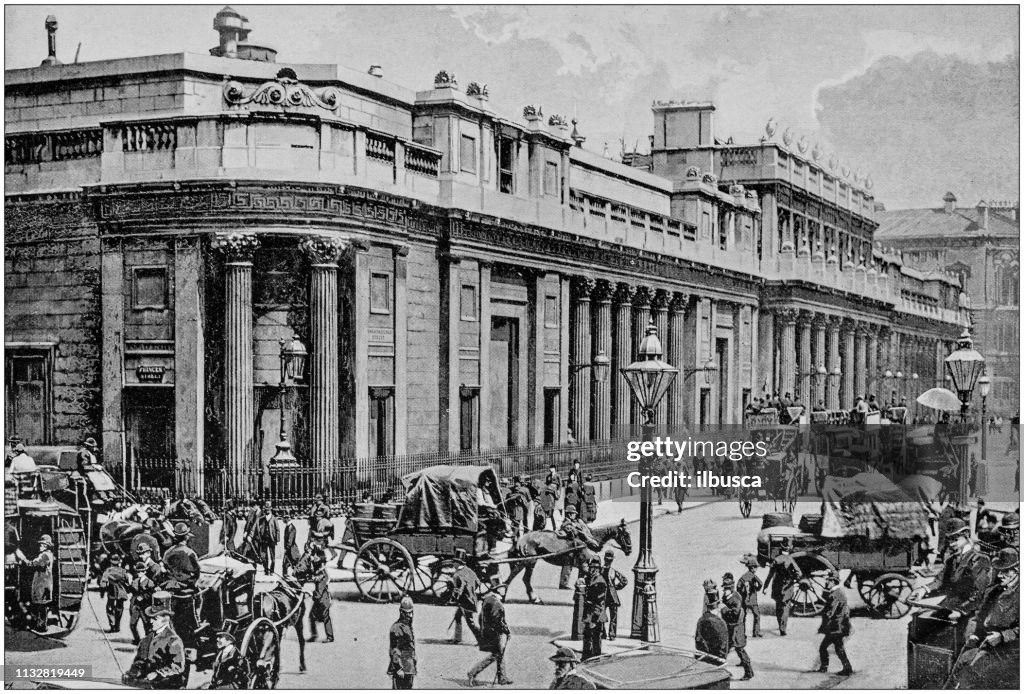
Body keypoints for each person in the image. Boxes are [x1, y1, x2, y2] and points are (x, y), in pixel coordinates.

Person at [946, 548, 1019, 689]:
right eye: (999, 571)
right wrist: (972, 634)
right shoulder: (993, 591)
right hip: (988, 644)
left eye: (1005, 572)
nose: (1000, 576)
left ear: (1017, 571)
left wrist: (1003, 636)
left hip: (1011, 651)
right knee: (962, 661)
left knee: (976, 670)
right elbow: (977, 617)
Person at [924, 517, 992, 615]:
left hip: (969, 611)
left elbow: (978, 593)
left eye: (955, 539)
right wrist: (924, 589)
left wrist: (961, 610)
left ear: (966, 536)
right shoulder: (951, 560)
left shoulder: (979, 560)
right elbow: (940, 580)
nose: (951, 544)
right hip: (951, 605)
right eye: (949, 540)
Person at [123, 602, 187, 689]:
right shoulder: (146, 640)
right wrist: (132, 673)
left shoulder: (173, 640)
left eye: (155, 619)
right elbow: (140, 660)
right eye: (150, 618)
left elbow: (178, 666)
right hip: (148, 682)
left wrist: (158, 673)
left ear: (165, 620)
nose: (150, 621)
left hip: (168, 684)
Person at [468, 575, 512, 686]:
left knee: (499, 654)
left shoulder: (488, 599)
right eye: (502, 588)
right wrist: (506, 630)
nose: (504, 590)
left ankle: (502, 678)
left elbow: (480, 617)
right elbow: (497, 620)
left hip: (488, 631)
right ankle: (473, 672)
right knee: (496, 654)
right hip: (495, 633)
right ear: (497, 589)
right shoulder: (496, 603)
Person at [817, 570, 854, 676]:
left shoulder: (835, 595)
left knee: (826, 647)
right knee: (837, 648)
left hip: (835, 627)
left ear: (833, 582)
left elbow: (830, 612)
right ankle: (846, 667)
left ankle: (827, 667)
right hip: (839, 626)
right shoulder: (838, 592)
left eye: (828, 581)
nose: (826, 583)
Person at [763, 540, 802, 635]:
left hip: (777, 586)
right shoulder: (790, 559)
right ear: (789, 549)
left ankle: (780, 624)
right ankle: (783, 628)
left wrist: (765, 587)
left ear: (781, 548)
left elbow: (770, 575)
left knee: (778, 606)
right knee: (785, 607)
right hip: (787, 587)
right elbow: (799, 573)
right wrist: (794, 580)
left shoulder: (776, 559)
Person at [17, 534, 54, 631]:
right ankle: (40, 624)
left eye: (41, 545)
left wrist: (23, 559)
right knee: (42, 605)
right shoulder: (48, 554)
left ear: (46, 545)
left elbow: (33, 563)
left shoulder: (45, 555)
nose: (39, 546)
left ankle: (41, 626)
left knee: (41, 605)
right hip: (44, 582)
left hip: (42, 583)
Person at [721, 573, 754, 680]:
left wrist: (724, 610)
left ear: (731, 588)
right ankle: (720, 669)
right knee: (725, 650)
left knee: (740, 650)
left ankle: (749, 673)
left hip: (736, 628)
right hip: (731, 628)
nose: (724, 590)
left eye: (726, 588)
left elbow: (735, 613)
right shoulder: (727, 596)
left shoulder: (736, 598)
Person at [558, 507, 600, 589]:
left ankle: (579, 581)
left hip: (575, 546)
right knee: (569, 563)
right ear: (570, 514)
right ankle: (564, 584)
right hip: (569, 547)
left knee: (582, 562)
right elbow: (570, 532)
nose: (575, 515)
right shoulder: (567, 523)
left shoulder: (574, 522)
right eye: (574, 514)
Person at [449, 549, 481, 645]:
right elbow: (478, 583)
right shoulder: (469, 571)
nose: (453, 564)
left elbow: (458, 590)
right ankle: (457, 638)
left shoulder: (457, 575)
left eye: (454, 562)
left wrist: (453, 600)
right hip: (472, 598)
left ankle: (482, 639)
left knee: (470, 622)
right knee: (457, 616)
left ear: (458, 563)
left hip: (465, 601)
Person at [387, 596, 417, 689]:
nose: (409, 616)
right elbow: (394, 649)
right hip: (401, 667)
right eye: (406, 613)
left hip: (409, 667)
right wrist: (398, 668)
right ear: (401, 612)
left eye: (411, 613)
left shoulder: (407, 626)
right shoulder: (397, 628)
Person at [581, 558, 607, 661]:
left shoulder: (600, 582)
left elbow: (600, 603)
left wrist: (594, 619)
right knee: (587, 636)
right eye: (591, 567)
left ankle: (595, 658)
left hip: (595, 616)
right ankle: (586, 657)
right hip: (589, 614)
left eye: (595, 568)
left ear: (598, 569)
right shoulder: (590, 579)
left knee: (595, 638)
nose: (592, 570)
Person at [129, 559, 159, 644]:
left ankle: (148, 641)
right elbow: (131, 591)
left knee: (147, 625)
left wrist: (143, 597)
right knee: (132, 624)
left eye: (141, 572)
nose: (139, 573)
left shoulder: (150, 582)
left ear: (145, 572)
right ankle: (137, 639)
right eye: (138, 572)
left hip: (144, 606)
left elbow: (151, 593)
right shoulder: (135, 581)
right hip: (136, 606)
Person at [307, 546, 334, 643]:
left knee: (325, 618)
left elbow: (319, 591)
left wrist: (312, 595)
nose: (314, 557)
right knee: (312, 616)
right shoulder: (319, 570)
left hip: (323, 601)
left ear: (321, 559)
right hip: (321, 600)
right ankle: (315, 635)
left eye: (316, 556)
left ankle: (330, 637)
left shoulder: (322, 574)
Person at [694, 587, 729, 660]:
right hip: (719, 659)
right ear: (718, 605)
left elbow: (698, 642)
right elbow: (724, 646)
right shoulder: (722, 623)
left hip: (703, 659)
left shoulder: (701, 620)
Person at [99, 553, 130, 633]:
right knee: (119, 609)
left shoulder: (108, 571)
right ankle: (117, 625)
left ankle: (112, 625)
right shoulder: (123, 571)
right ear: (119, 561)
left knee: (110, 608)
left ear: (111, 561)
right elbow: (127, 581)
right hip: (121, 592)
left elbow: (103, 583)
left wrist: (102, 593)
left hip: (112, 592)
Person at [601, 549, 627, 641]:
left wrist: (615, 587)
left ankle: (605, 634)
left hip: (605, 596)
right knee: (610, 617)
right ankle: (610, 635)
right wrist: (615, 587)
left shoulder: (601, 570)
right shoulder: (612, 571)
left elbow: (624, 581)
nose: (609, 561)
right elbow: (624, 581)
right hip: (609, 596)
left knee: (603, 616)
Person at [737, 553, 763, 638]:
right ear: (753, 568)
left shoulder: (743, 577)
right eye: (755, 567)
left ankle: (742, 633)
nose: (756, 569)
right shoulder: (754, 576)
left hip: (744, 600)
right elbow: (760, 583)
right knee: (757, 616)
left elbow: (738, 587)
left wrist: (742, 594)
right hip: (753, 600)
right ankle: (756, 632)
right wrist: (756, 589)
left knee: (743, 617)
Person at [252, 501, 279, 575]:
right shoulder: (261, 519)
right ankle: (266, 570)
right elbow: (256, 527)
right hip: (263, 540)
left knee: (272, 557)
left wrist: (277, 539)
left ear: (271, 510)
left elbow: (277, 530)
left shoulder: (274, 519)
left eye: (268, 509)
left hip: (271, 540)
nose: (267, 510)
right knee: (264, 556)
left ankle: (272, 570)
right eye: (266, 509)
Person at [282, 510, 301, 577]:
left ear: (287, 519)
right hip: (289, 548)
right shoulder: (288, 526)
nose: (283, 519)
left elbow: (290, 540)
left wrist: (286, 548)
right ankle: (286, 575)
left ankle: (296, 574)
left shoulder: (291, 528)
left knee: (293, 562)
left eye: (284, 518)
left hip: (291, 549)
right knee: (286, 563)